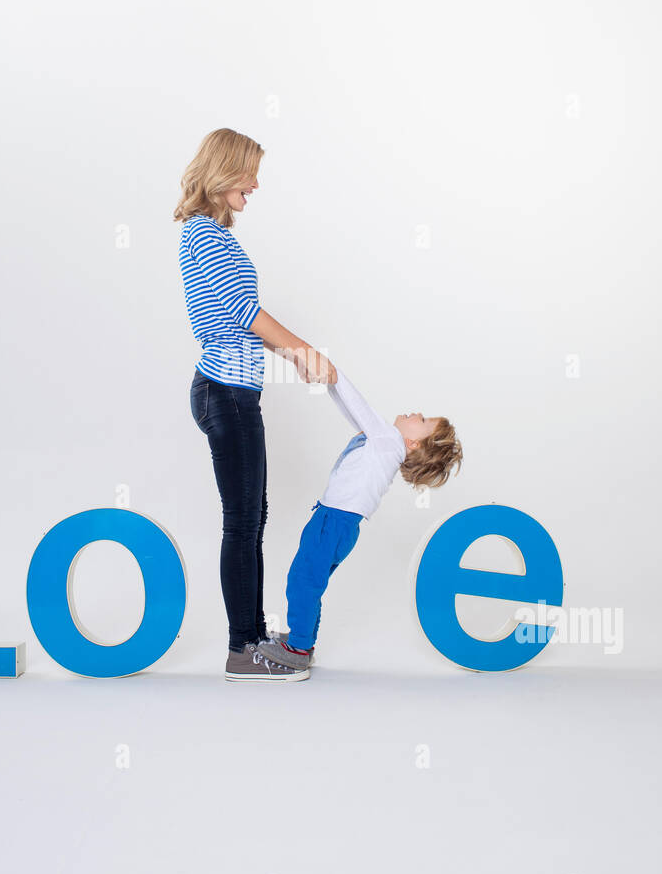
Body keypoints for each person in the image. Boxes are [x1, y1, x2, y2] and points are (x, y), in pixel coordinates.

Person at [176, 126, 337, 683]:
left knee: (251, 521)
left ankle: (250, 636)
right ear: (223, 171)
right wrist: (304, 353)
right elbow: (245, 311)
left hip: (233, 392)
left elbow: (240, 308)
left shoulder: (212, 235)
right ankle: (243, 649)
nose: (256, 183)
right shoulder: (203, 234)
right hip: (225, 392)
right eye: (249, 172)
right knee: (243, 523)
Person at [243, 369, 462, 678]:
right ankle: (302, 642)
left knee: (303, 580)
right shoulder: (386, 444)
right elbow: (354, 413)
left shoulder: (388, 440)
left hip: (333, 521)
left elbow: (358, 406)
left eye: (424, 421)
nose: (418, 413)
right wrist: (330, 383)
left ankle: (298, 649)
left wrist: (332, 373)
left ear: (413, 443)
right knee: (311, 581)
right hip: (341, 524)